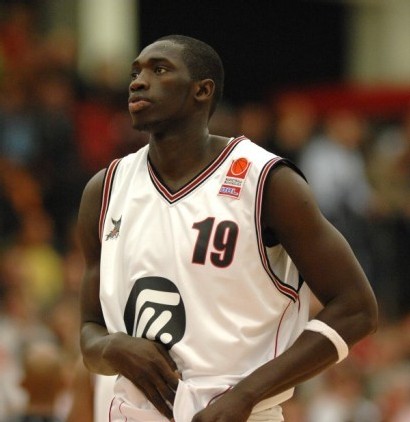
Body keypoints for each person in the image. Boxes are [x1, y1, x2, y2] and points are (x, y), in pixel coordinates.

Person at [77, 35, 378, 422]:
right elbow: (89, 330)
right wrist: (113, 347)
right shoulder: (104, 190)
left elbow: (357, 309)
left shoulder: (267, 181)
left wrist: (248, 394)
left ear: (203, 91)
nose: (137, 81)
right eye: (135, 72)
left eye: (159, 69)